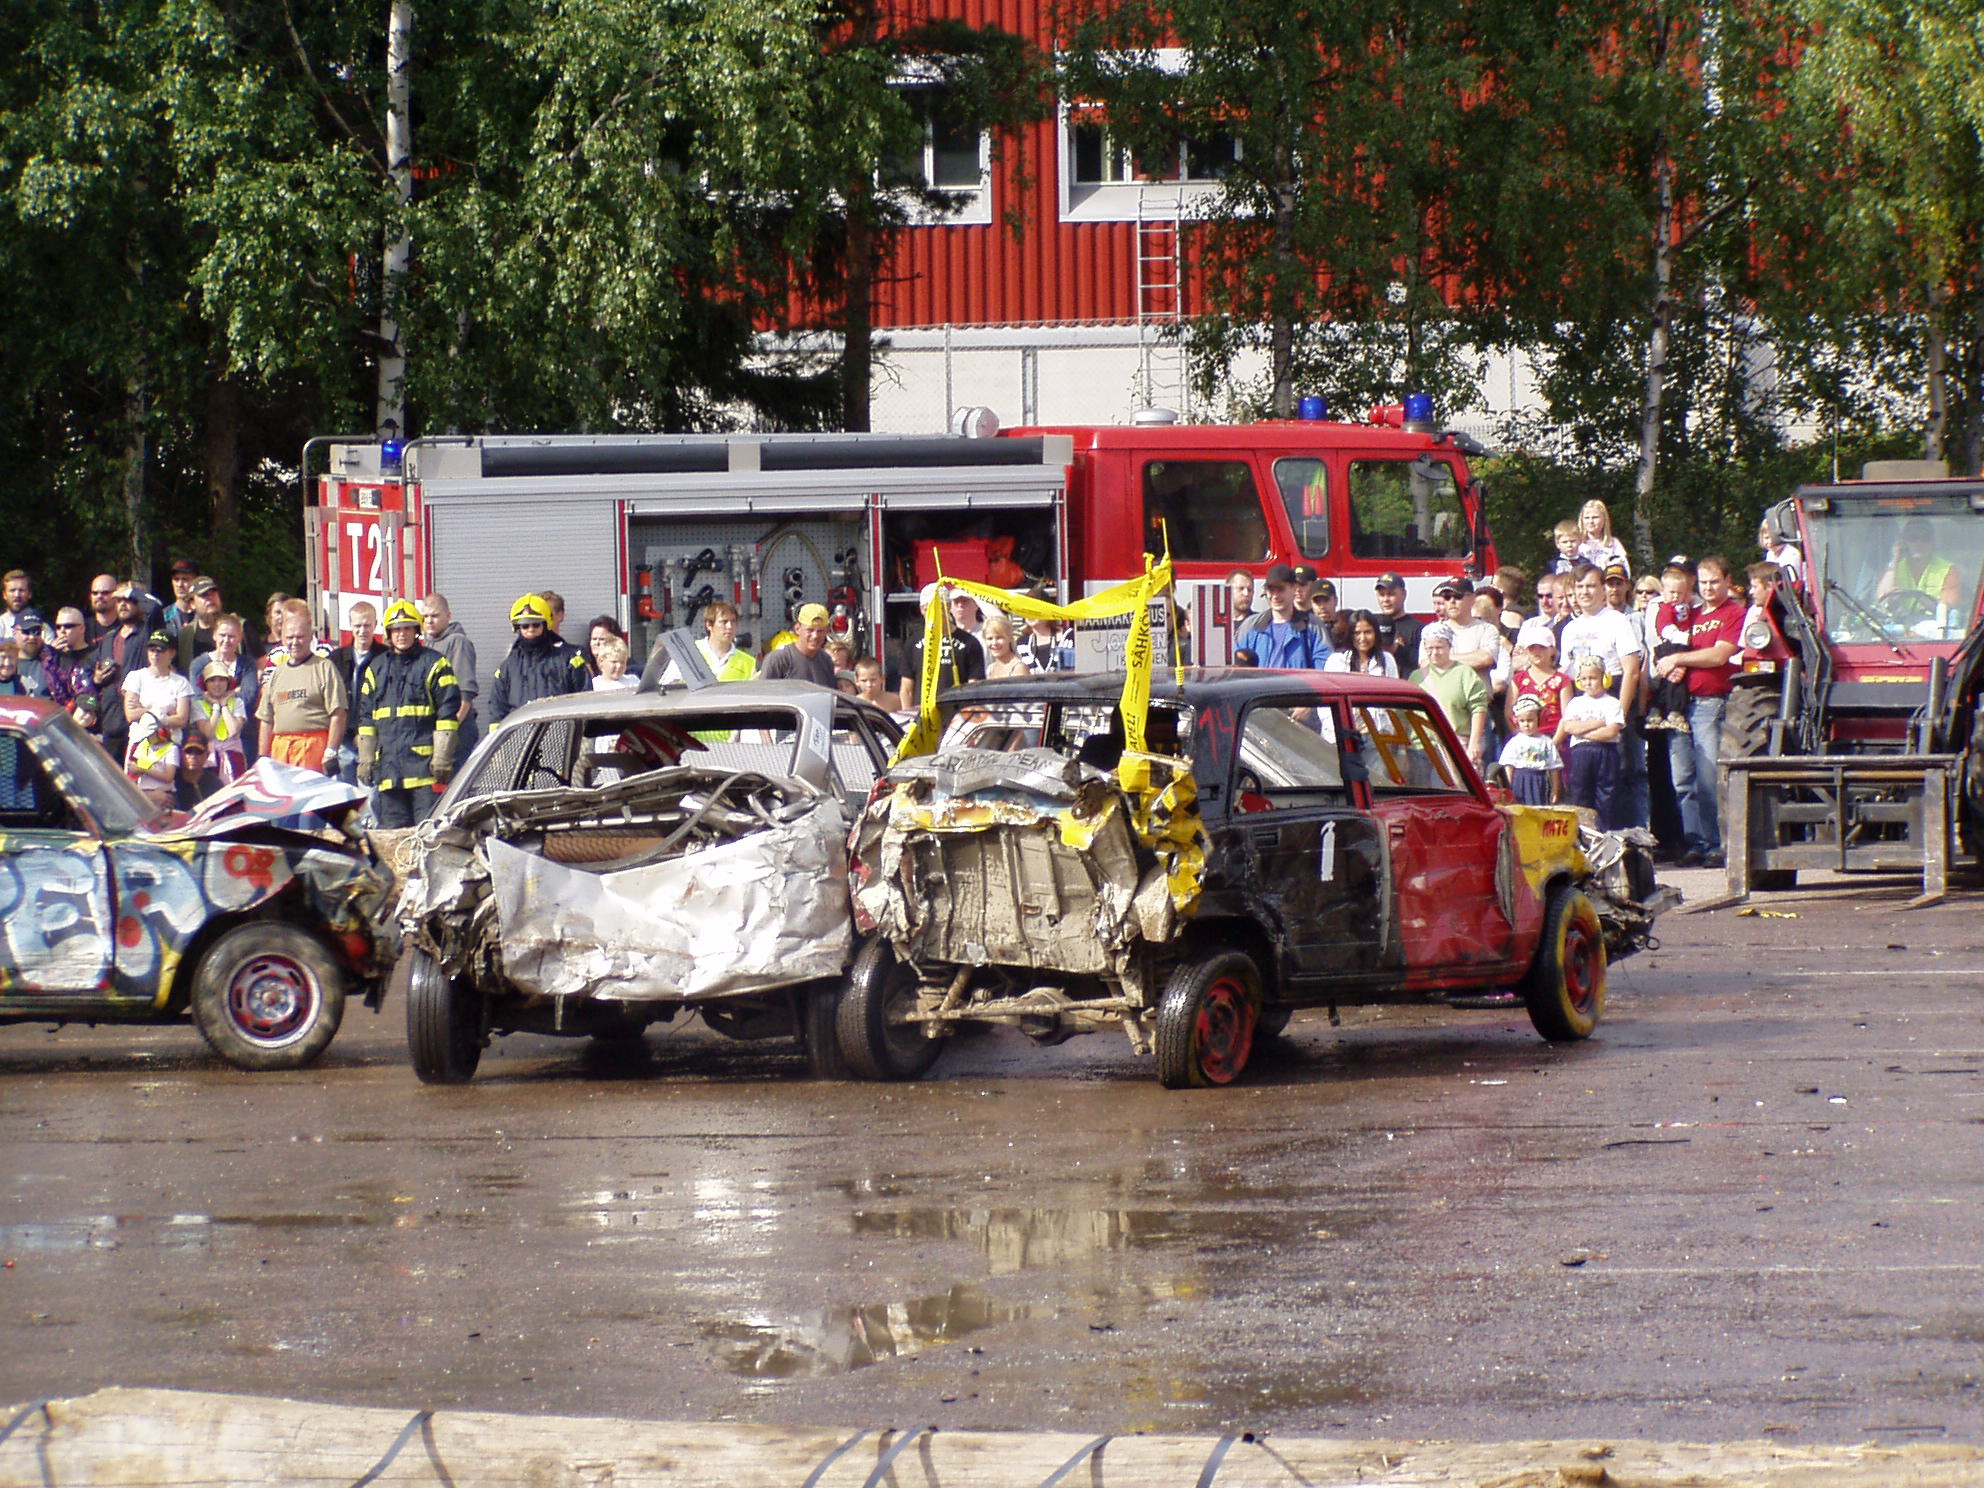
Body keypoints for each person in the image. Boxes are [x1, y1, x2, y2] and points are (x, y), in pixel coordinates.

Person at [1654, 555, 1744, 868]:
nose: (1708, 588)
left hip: (1711, 701)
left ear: (1727, 581)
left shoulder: (1733, 612)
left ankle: (1716, 844)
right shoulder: (1686, 612)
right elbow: (1667, 646)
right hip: (1678, 702)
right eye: (1703, 582)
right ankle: (1692, 841)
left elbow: (1720, 656)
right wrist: (1668, 666)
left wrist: (1680, 661)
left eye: (1714, 582)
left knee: (1708, 778)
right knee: (1682, 779)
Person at [355, 598, 461, 826]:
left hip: (425, 769)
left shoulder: (435, 664)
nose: (401, 634)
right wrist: (365, 758)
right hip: (389, 771)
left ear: (416, 631)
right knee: (393, 836)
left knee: (428, 833)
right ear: (389, 633)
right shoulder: (376, 668)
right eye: (396, 630)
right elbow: (366, 717)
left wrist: (442, 758)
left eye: (407, 629)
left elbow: (447, 712)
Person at [257, 608, 347, 773]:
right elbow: (266, 719)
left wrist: (331, 751)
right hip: (280, 750)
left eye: (300, 637)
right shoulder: (277, 673)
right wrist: (262, 757)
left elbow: (338, 713)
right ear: (283, 639)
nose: (295, 642)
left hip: (313, 747)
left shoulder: (324, 667)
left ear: (309, 638)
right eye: (290, 637)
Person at [487, 594, 590, 725]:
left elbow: (585, 700)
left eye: (536, 625)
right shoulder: (508, 666)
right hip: (521, 738)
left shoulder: (569, 660)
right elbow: (497, 708)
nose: (531, 630)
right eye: (525, 626)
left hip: (561, 735)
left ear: (546, 625)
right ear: (517, 628)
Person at [121, 631, 196, 803]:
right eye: (152, 649)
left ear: (172, 653)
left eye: (161, 649)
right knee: (135, 797)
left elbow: (182, 719)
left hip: (166, 745)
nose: (155, 653)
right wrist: (165, 713)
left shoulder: (180, 683)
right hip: (140, 744)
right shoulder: (135, 677)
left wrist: (147, 710)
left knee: (164, 797)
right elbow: (130, 714)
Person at [1410, 623, 1488, 768]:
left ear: (1449, 646)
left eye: (1439, 647)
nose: (1434, 653)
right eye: (1429, 648)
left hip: (1454, 745)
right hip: (1422, 747)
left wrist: (1474, 742)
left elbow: (1478, 708)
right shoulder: (1416, 677)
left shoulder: (1465, 673)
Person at [1558, 656, 1624, 819]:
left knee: (1606, 794)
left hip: (1606, 752)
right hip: (1581, 752)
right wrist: (1598, 723)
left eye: (1593, 678)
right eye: (1584, 678)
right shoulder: (1576, 702)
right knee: (1580, 791)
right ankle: (1583, 831)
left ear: (1604, 678)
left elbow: (1611, 731)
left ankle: (1603, 830)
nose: (1588, 682)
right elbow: (1568, 727)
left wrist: (1582, 731)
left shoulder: (1612, 703)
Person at [898, 587, 986, 706]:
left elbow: (974, 688)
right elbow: (907, 689)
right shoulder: (913, 642)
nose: (933, 615)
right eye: (927, 609)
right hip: (923, 716)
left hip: (956, 716)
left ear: (948, 607)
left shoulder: (969, 642)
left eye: (938, 609)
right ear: (921, 610)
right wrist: (908, 716)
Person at [419, 593, 480, 760]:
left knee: (454, 782)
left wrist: (449, 732)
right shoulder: (429, 643)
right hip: (438, 728)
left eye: (435, 615)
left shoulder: (458, 642)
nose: (429, 621)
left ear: (448, 616)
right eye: (425, 616)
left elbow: (465, 694)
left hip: (457, 729)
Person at [1237, 564, 1325, 668]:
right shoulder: (1250, 626)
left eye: (1280, 589)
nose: (1275, 596)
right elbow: (1236, 666)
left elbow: (1324, 668)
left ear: (1294, 589)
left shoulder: (1313, 626)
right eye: (1271, 589)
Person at [1642, 564, 1696, 732]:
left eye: (1679, 593)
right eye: (1672, 593)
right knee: (1670, 680)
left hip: (1682, 647)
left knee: (1677, 681)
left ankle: (1669, 711)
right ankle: (1664, 710)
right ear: (1664, 592)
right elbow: (1664, 627)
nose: (1675, 596)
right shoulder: (1662, 607)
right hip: (1668, 646)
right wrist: (1683, 636)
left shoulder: (1690, 606)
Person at [1878, 516, 1966, 615]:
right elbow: (1882, 602)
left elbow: (1949, 607)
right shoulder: (1893, 568)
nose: (1919, 543)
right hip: (1897, 627)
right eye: (1913, 539)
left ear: (1933, 542)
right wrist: (1894, 559)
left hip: (1934, 626)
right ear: (1904, 543)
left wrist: (1918, 596)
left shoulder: (1949, 570)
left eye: (1925, 538)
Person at [1507, 619, 1574, 736]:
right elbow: (1509, 713)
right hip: (1524, 737)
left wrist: (1555, 742)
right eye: (1532, 648)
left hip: (1554, 736)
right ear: (1526, 651)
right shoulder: (1518, 680)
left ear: (1552, 650)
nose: (1536, 651)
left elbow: (1566, 716)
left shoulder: (1563, 681)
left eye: (1542, 647)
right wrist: (1520, 737)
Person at [193, 656, 250, 784]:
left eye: (221, 680)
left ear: (228, 682)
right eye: (212, 680)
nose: (217, 684)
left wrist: (224, 705)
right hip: (210, 757)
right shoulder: (198, 705)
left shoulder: (237, 702)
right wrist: (215, 707)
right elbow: (207, 733)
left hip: (234, 756)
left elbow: (233, 730)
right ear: (205, 683)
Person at [1498, 696, 1564, 805]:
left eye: (1530, 720)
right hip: (1520, 780)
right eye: (1522, 721)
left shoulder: (1546, 742)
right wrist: (1508, 788)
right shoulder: (1515, 742)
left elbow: (1554, 768)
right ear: (1516, 721)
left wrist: (1555, 790)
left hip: (1540, 781)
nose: (1526, 724)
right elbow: (1508, 767)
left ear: (1540, 719)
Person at [761, 602, 838, 688]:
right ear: (797, 629)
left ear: (827, 631)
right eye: (810, 630)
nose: (815, 636)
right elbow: (764, 696)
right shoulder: (779, 660)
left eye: (820, 631)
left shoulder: (826, 660)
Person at [45, 609, 98, 718]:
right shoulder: (53, 657)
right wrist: (51, 655)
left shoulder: (96, 654)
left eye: (68, 626)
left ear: (82, 628)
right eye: (58, 627)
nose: (62, 631)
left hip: (89, 715)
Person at [1324, 610, 1398, 677]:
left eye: (1367, 632)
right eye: (1357, 633)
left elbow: (1395, 689)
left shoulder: (1387, 659)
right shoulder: (1337, 660)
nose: (1362, 638)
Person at [1370, 571, 1422, 664]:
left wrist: (1397, 649)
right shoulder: (1371, 625)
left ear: (1404, 594)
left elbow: (1421, 661)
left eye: (1391, 594)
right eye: (1382, 595)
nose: (1386, 600)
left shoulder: (1417, 629)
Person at [1576, 499, 1630, 575]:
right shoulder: (1577, 544)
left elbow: (1625, 570)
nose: (1590, 521)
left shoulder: (1614, 543)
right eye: (1587, 518)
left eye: (1595, 517)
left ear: (1604, 519)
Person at [173, 733, 223, 809]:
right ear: (181, 753)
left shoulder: (214, 784)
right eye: (189, 751)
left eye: (198, 752)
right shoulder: (171, 781)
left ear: (207, 754)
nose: (193, 756)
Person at [10, 613, 48, 696]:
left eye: (36, 632)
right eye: (26, 632)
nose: (32, 637)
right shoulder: (5, 662)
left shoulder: (54, 662)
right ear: (14, 633)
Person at [160, 560, 200, 635]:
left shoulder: (204, 616)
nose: (180, 584)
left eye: (185, 579)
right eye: (176, 579)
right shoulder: (164, 617)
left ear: (195, 581)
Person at [83, 574, 119, 644]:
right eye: (95, 593)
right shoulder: (83, 629)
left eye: (105, 593)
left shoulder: (127, 626)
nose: (99, 596)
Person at [0, 571, 33, 645]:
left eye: (21, 590)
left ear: (29, 594)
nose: (17, 595)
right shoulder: (1, 624)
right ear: (4, 594)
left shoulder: (42, 627)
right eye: (12, 590)